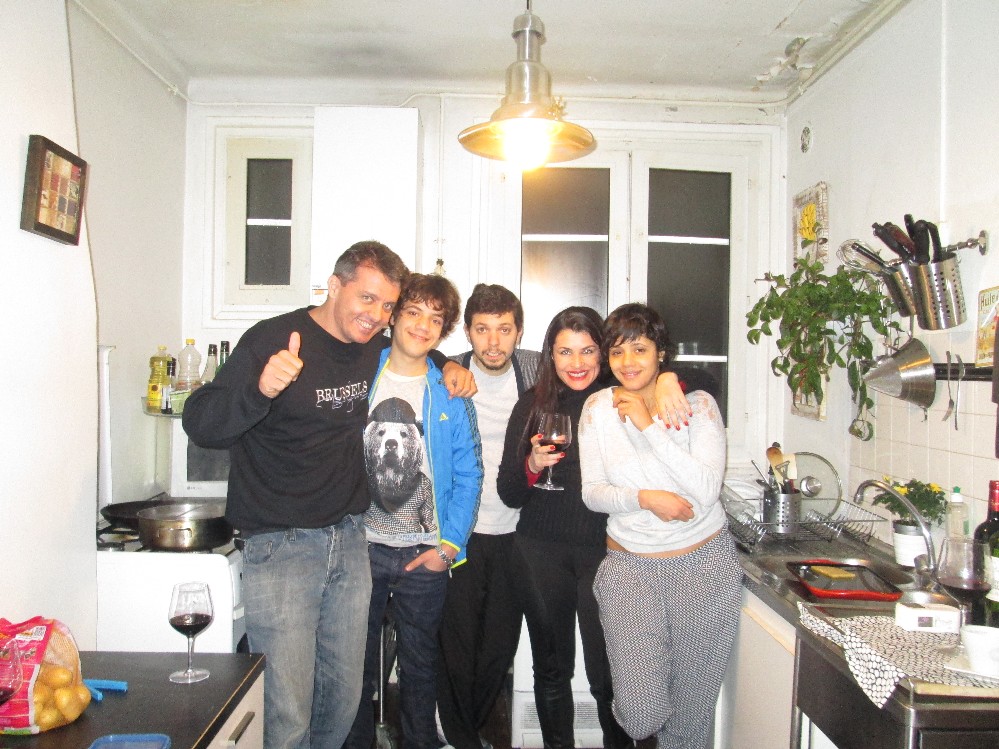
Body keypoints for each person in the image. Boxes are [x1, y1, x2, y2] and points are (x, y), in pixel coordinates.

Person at [182, 241, 474, 749]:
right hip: (282, 545)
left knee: (341, 699)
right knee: (288, 707)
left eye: (387, 306)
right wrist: (260, 390)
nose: (376, 315)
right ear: (334, 286)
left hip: (351, 539)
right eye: (367, 299)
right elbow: (201, 423)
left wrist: (448, 364)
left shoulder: (369, 347)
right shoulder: (274, 339)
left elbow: (414, 349)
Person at [578, 303, 741, 749]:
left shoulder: (698, 405)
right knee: (639, 710)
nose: (628, 362)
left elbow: (705, 489)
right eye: (617, 352)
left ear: (661, 353)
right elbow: (592, 492)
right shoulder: (597, 409)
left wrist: (649, 426)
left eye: (640, 349)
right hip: (629, 568)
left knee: (690, 717)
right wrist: (644, 498)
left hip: (703, 568)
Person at [345, 273, 483, 749]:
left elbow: (469, 474)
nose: (423, 326)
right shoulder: (360, 371)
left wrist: (449, 547)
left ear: (443, 331)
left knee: (421, 667)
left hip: (424, 554)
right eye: (413, 312)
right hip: (358, 549)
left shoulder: (450, 391)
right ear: (394, 316)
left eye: (435, 319)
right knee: (354, 667)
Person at [497, 307, 632, 749]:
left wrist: (668, 381)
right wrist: (533, 465)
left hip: (605, 552)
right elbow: (509, 492)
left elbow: (696, 383)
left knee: (607, 673)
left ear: (603, 354)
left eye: (587, 351)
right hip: (539, 551)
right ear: (550, 356)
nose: (577, 363)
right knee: (552, 668)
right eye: (565, 352)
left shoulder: (619, 401)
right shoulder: (532, 406)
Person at [437, 284, 541, 749]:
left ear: (519, 332)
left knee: (499, 645)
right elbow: (402, 354)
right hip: (461, 530)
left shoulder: (536, 370)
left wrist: (667, 381)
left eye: (504, 330)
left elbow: (600, 371)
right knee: (457, 641)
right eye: (482, 330)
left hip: (518, 531)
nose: (494, 342)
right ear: (467, 332)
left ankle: (463, 726)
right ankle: (458, 734)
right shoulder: (448, 372)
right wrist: (444, 364)